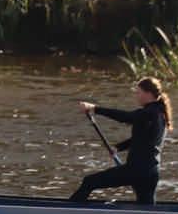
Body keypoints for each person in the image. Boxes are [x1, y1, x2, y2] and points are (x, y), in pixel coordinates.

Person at [69, 77, 172, 205]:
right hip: (151, 172)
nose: (136, 96)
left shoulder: (148, 113)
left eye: (138, 92)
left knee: (89, 181)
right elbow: (141, 139)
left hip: (136, 171)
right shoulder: (160, 113)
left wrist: (95, 109)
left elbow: (124, 117)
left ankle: (66, 211)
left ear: (148, 94)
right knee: (147, 210)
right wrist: (118, 148)